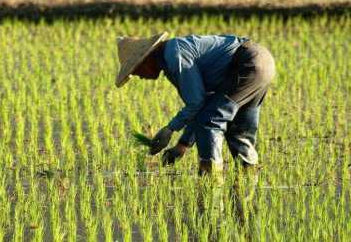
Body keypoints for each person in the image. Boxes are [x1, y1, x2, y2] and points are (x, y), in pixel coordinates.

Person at [115, 32, 275, 174]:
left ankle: (211, 180)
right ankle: (249, 178)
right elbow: (201, 105)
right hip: (262, 61)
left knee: (210, 121)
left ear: (145, 60)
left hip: (247, 64)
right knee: (238, 131)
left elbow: (196, 103)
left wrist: (169, 129)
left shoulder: (175, 56)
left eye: (135, 71)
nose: (139, 76)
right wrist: (182, 146)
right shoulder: (172, 54)